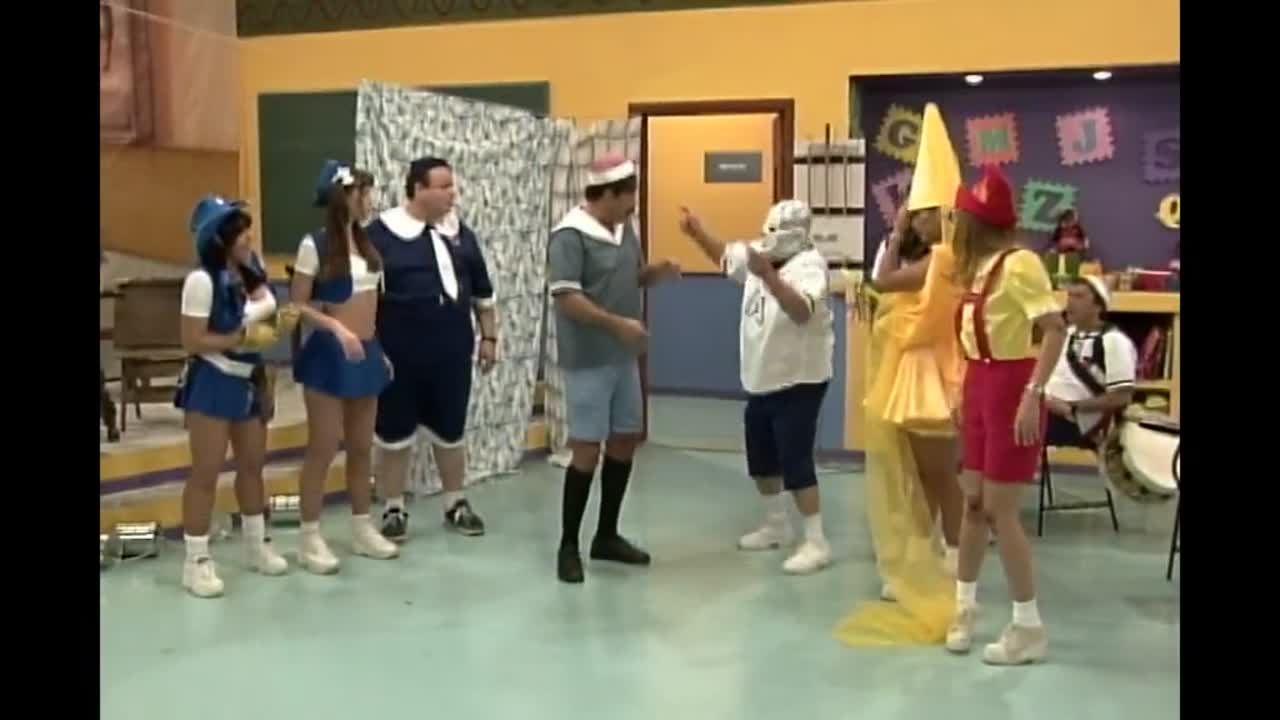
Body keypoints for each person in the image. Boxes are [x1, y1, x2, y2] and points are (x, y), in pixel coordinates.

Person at [835, 102, 965, 646]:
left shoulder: (942, 258)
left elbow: (885, 279)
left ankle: (957, 564)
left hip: (929, 373)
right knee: (921, 475)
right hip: (912, 370)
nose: (918, 218)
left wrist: (895, 231)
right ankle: (928, 556)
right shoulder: (940, 255)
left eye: (924, 211)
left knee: (939, 476)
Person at [946, 165, 1067, 665]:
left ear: (974, 222)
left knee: (1001, 509)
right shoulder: (978, 268)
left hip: (1012, 387)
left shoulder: (1020, 264)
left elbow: (1054, 329)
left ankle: (1028, 626)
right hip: (980, 383)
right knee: (973, 503)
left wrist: (1032, 394)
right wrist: (963, 392)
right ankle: (964, 606)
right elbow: (976, 338)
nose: (953, 223)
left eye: (959, 216)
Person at [678, 200, 835, 575]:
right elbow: (725, 257)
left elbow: (801, 311)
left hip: (799, 378)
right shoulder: (761, 254)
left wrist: (769, 277)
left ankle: (816, 541)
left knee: (796, 461)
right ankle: (776, 524)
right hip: (761, 377)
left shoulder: (811, 266)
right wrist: (697, 232)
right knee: (761, 458)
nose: (768, 241)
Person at [548, 153, 680, 584]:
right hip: (588, 358)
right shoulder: (570, 236)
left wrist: (654, 273)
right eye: (628, 197)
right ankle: (568, 544)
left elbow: (630, 276)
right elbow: (567, 297)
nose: (633, 205)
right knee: (587, 448)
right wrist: (617, 325)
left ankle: (606, 535)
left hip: (623, 357)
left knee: (624, 439)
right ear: (606, 194)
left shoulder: (624, 229)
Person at [368, 157, 497, 541]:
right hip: (399, 353)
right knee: (394, 433)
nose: (452, 194)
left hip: (451, 350)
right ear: (418, 189)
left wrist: (489, 337)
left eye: (452, 186)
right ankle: (394, 507)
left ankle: (456, 501)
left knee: (450, 429)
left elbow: (483, 293)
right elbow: (364, 298)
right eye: (443, 187)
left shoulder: (461, 235)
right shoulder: (380, 235)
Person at [175, 195, 293, 597]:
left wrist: (267, 364)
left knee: (253, 466)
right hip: (213, 380)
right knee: (206, 471)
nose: (249, 238)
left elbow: (267, 327)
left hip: (251, 379)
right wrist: (238, 339)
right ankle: (196, 561)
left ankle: (256, 544)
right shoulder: (200, 281)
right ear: (219, 238)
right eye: (241, 232)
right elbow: (192, 340)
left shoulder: (251, 273)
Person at [290, 160, 399, 574]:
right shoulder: (314, 245)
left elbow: (371, 305)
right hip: (329, 354)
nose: (369, 199)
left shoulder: (367, 245)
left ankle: (361, 526)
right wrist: (336, 328)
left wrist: (377, 347)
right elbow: (297, 305)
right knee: (323, 446)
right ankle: (309, 536)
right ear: (343, 196)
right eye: (362, 192)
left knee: (361, 446)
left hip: (366, 351)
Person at [1044, 276, 1137, 447]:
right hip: (1047, 409)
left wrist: (1071, 407)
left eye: (1079, 296)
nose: (1070, 302)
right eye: (1069, 296)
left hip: (1077, 420)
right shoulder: (1066, 334)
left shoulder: (1114, 341)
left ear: (1098, 305)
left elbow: (1122, 397)